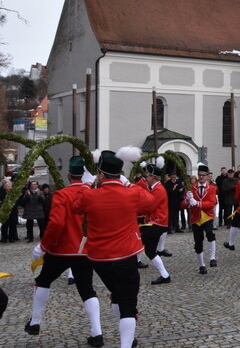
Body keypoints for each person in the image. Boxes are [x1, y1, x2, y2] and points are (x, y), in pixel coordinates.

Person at [73, 148, 157, 348]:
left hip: (99, 259)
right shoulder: (131, 193)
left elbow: (76, 206)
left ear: (100, 174)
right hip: (126, 255)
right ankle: (126, 344)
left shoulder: (90, 195)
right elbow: (151, 201)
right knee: (128, 303)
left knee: (118, 294)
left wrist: (87, 185)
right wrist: (127, 183)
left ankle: (128, 338)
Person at [25, 156, 104, 347]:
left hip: (61, 249)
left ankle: (35, 322)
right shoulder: (92, 193)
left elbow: (57, 223)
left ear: (68, 175)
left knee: (43, 281)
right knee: (87, 290)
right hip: (85, 249)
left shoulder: (61, 194)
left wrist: (43, 246)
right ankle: (97, 333)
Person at [138, 157, 172, 285]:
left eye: (148, 175)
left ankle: (126, 268)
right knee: (150, 251)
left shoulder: (158, 189)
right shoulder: (155, 188)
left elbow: (150, 206)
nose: (146, 177)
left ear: (152, 177)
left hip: (156, 222)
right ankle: (165, 275)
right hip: (155, 222)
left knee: (134, 237)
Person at [183, 164, 218, 274]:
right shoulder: (191, 188)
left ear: (207, 176)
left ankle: (212, 258)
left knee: (210, 233)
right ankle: (201, 265)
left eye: (203, 175)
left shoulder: (211, 188)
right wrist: (187, 201)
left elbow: (212, 203)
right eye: (200, 175)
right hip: (196, 218)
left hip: (207, 216)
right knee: (198, 242)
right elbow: (183, 205)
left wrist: (197, 203)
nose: (201, 177)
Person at [0, 179, 20, 243]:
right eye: (8, 186)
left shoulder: (14, 193)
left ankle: (11, 238)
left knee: (12, 224)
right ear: (4, 186)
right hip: (4, 211)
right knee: (4, 225)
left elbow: (17, 201)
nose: (9, 187)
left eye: (10, 186)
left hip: (13, 211)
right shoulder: (1, 193)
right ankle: (4, 238)